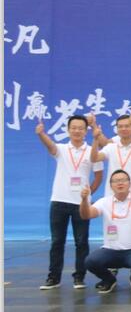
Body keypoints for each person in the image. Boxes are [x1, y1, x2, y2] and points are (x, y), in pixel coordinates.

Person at [36, 115, 104, 290]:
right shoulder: (61, 149)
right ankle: (54, 278)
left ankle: (79, 277)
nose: (77, 131)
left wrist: (87, 195)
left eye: (80, 128)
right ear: (68, 130)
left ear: (86, 131)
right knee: (57, 241)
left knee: (81, 242)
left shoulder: (92, 151)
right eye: (73, 127)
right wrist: (41, 134)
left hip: (81, 204)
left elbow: (98, 177)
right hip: (59, 201)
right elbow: (50, 146)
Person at [81, 169, 131, 293]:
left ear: (130, 183)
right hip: (110, 250)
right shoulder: (104, 201)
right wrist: (84, 200)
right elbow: (86, 215)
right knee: (90, 261)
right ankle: (109, 280)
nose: (120, 183)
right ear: (111, 185)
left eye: (123, 180)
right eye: (116, 181)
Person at [96, 115, 131, 199]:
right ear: (116, 129)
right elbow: (95, 158)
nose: (123, 129)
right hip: (112, 195)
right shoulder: (111, 147)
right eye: (120, 127)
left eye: (127, 126)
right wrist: (95, 139)